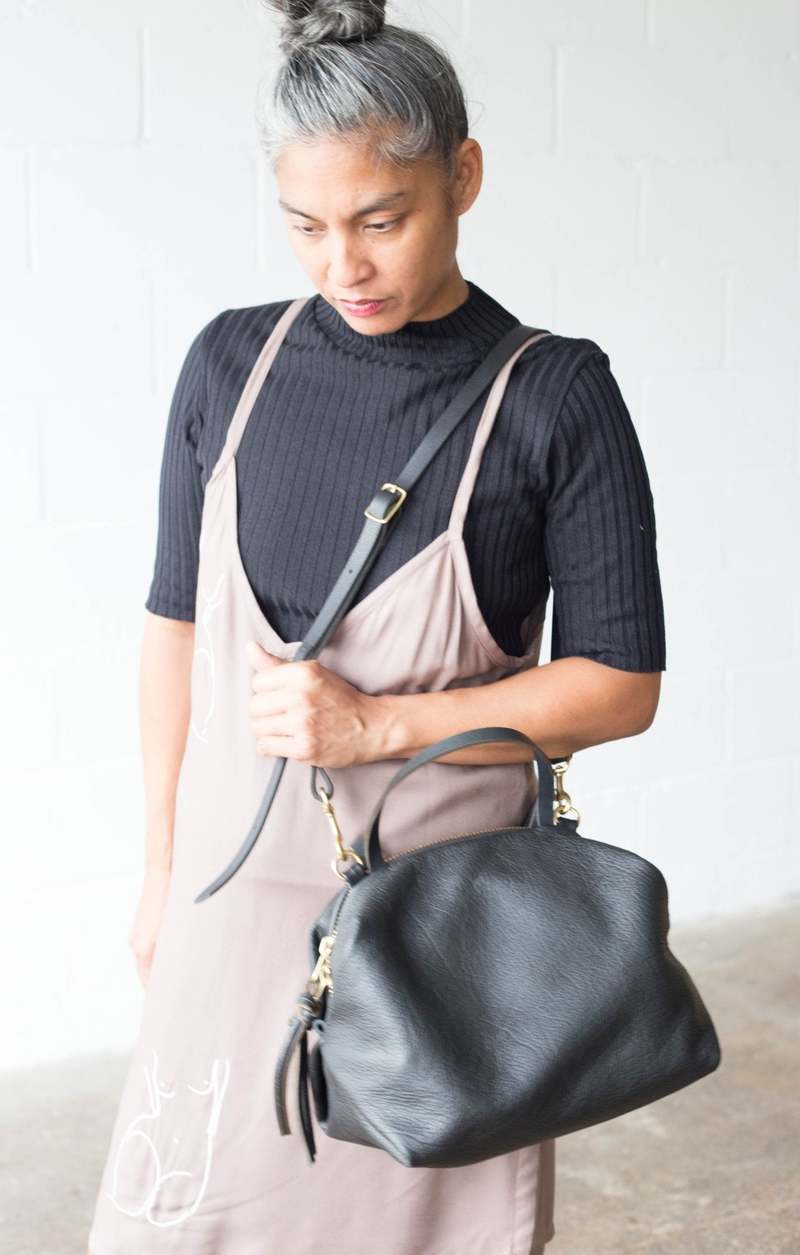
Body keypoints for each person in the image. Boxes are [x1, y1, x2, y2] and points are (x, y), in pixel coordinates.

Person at [87, 1, 666, 1251]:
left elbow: (619, 685)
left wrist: (377, 725)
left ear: (463, 176)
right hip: (227, 907)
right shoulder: (229, 366)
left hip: (432, 943)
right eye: (305, 225)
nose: (340, 265)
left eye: (379, 220)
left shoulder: (553, 396)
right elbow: (174, 631)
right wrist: (159, 870)